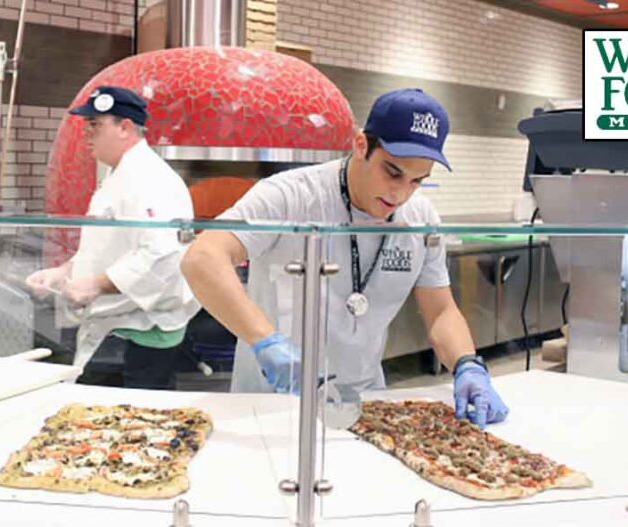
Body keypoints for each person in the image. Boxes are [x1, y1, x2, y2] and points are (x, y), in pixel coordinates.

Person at [180, 88, 509, 428]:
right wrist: (267, 342)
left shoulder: (420, 219)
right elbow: (202, 258)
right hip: (271, 402)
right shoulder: (290, 195)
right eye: (393, 173)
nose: (401, 193)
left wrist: (468, 364)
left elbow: (440, 310)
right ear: (361, 145)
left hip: (364, 403)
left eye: (418, 181)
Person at [27, 85, 198, 390]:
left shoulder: (148, 178)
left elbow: (159, 254)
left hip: (142, 332)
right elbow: (109, 245)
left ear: (125, 127)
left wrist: (93, 285)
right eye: (87, 125)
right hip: (120, 326)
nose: (87, 133)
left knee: (132, 428)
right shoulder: (120, 175)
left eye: (95, 125)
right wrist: (63, 272)